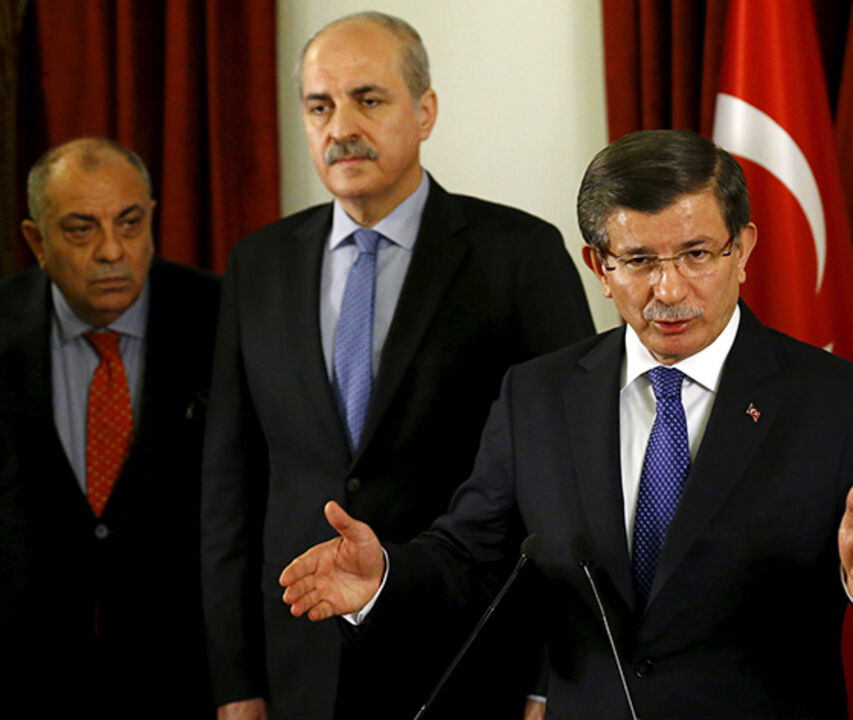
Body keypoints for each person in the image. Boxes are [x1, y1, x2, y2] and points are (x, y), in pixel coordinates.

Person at [278, 129, 853, 719]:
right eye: (638, 260)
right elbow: (468, 561)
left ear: (743, 249)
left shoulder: (840, 403)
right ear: (599, 267)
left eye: (697, 254)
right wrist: (384, 579)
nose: (669, 289)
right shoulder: (537, 395)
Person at [199, 11, 595, 720]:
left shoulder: (519, 256)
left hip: (470, 660)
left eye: (368, 99)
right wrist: (236, 683)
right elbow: (229, 485)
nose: (341, 125)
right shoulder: (257, 265)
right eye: (320, 106)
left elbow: (570, 478)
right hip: (299, 666)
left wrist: (548, 678)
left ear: (425, 111)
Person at [0, 138, 218, 715]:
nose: (112, 251)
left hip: (185, 675)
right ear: (36, 242)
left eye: (129, 223)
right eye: (81, 229)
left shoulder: (220, 318)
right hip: (27, 675)